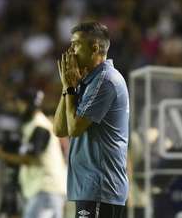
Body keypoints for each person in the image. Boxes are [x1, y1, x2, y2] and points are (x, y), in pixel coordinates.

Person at [54, 21, 130, 218]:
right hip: (91, 188)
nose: (70, 51)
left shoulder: (105, 81)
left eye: (76, 44)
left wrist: (71, 88)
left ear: (95, 48)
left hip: (101, 187)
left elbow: (75, 129)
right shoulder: (88, 82)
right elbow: (59, 129)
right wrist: (67, 87)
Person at [0, 89, 67, 218]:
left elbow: (29, 158)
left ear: (27, 104)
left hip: (46, 189)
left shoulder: (40, 126)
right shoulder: (34, 125)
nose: (18, 108)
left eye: (20, 104)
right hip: (44, 190)